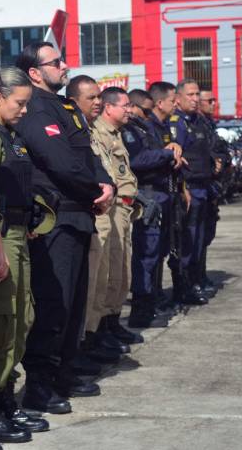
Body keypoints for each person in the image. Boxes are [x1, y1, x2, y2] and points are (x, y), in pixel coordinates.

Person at [14, 43, 114, 414]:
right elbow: (58, 162)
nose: (64, 65)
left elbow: (87, 155)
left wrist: (107, 185)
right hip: (57, 219)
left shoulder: (66, 108)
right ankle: (40, 386)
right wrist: (94, 190)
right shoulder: (37, 108)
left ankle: (63, 375)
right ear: (35, 73)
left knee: (73, 306)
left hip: (79, 215)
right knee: (54, 306)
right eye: (56, 62)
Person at [0, 67, 51, 447]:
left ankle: (5, 401)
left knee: (21, 320)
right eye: (20, 103)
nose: (24, 110)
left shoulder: (11, 135)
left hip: (19, 234)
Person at [66, 76, 124, 367]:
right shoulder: (76, 131)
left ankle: (94, 335)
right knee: (89, 283)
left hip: (105, 211)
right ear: (74, 101)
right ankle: (82, 343)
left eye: (100, 97)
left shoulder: (88, 129)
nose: (98, 102)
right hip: (90, 213)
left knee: (103, 279)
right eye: (92, 98)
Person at [123, 86, 183, 328]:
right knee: (145, 257)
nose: (146, 116)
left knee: (157, 254)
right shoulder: (130, 131)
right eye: (144, 111)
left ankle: (150, 304)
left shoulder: (142, 127)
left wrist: (170, 152)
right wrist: (166, 154)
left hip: (160, 194)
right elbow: (138, 160)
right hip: (146, 196)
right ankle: (141, 311)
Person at [90, 87, 140, 347]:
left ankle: (112, 322)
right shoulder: (98, 134)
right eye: (125, 105)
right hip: (111, 209)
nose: (129, 110)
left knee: (122, 272)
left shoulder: (118, 134)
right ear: (110, 108)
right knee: (106, 273)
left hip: (125, 209)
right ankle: (98, 331)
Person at [167, 79, 212, 306]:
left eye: (197, 95)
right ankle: (183, 288)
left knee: (199, 240)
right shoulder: (178, 123)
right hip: (190, 190)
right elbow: (177, 156)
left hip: (204, 188)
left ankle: (195, 281)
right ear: (178, 98)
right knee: (187, 241)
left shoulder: (198, 121)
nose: (195, 99)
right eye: (190, 95)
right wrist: (184, 189)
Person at [197, 89, 224, 297]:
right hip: (198, 185)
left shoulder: (208, 124)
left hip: (211, 185)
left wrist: (223, 159)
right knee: (195, 237)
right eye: (210, 100)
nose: (213, 103)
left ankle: (200, 275)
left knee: (206, 234)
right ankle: (193, 279)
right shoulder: (195, 123)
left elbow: (218, 148)